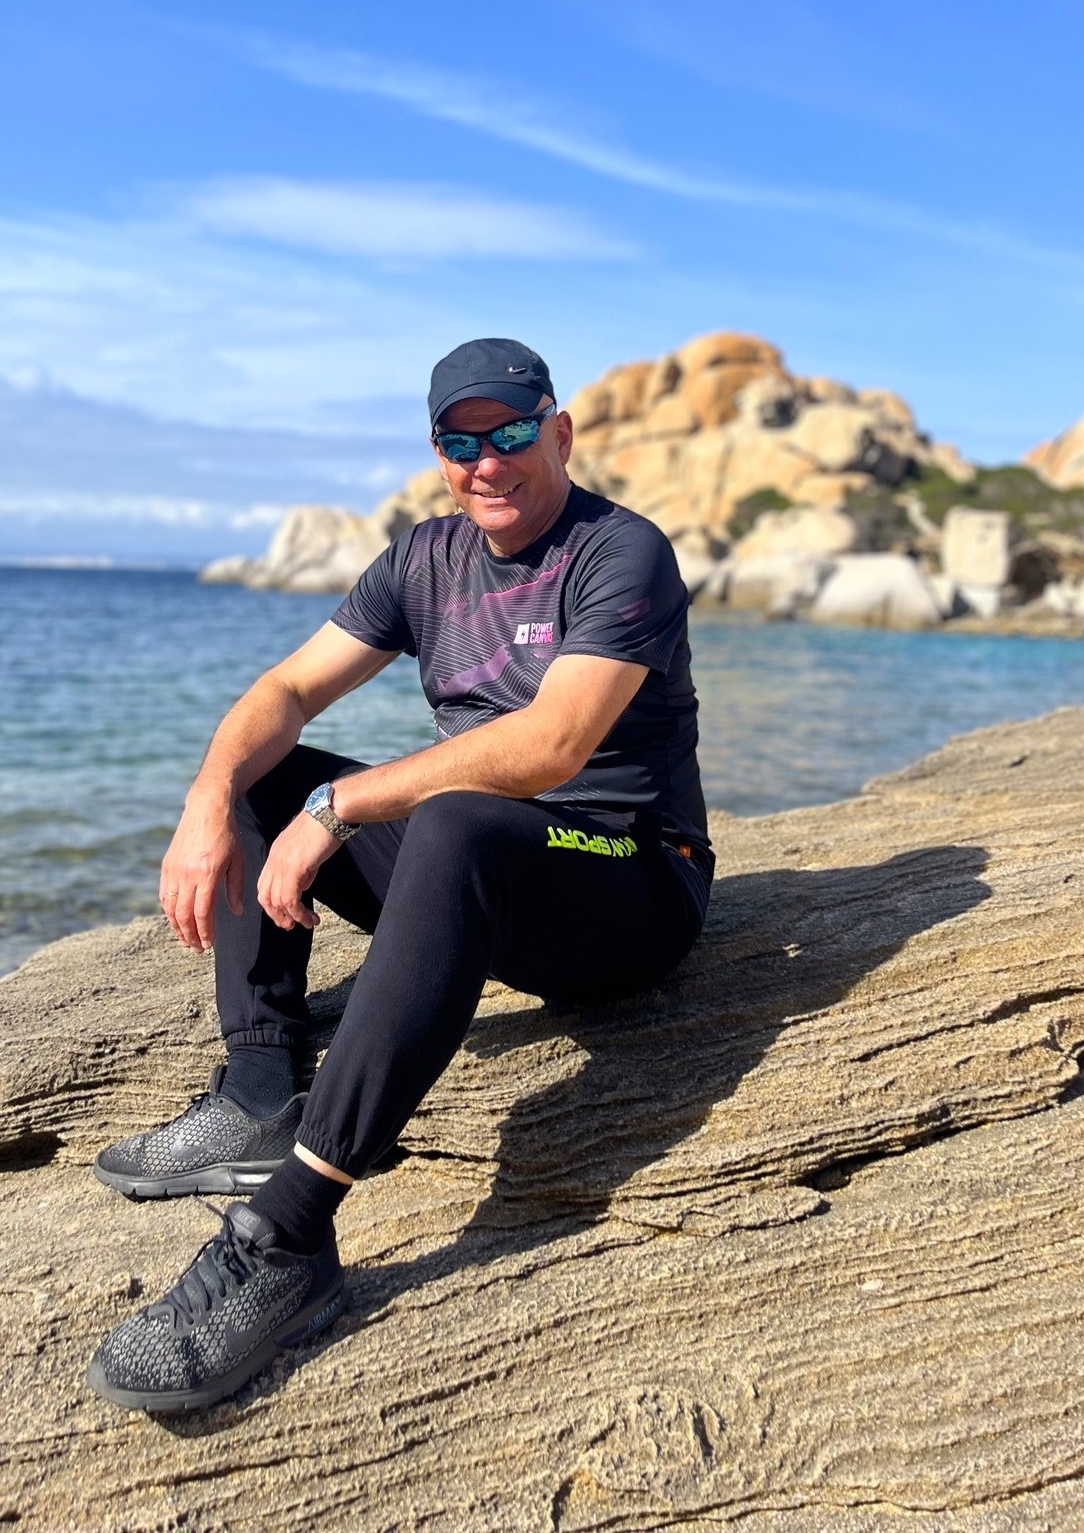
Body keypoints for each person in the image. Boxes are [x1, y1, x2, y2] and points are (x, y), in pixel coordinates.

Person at [86, 337, 714, 1412]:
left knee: (447, 819)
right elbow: (288, 690)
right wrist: (207, 800)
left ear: (560, 434)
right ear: (438, 456)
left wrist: (342, 806)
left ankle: (290, 1231)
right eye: (461, 443)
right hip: (485, 871)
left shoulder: (621, 552)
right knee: (266, 775)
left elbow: (553, 745)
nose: (489, 462)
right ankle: (259, 1091)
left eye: (512, 433)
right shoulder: (426, 558)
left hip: (629, 878)